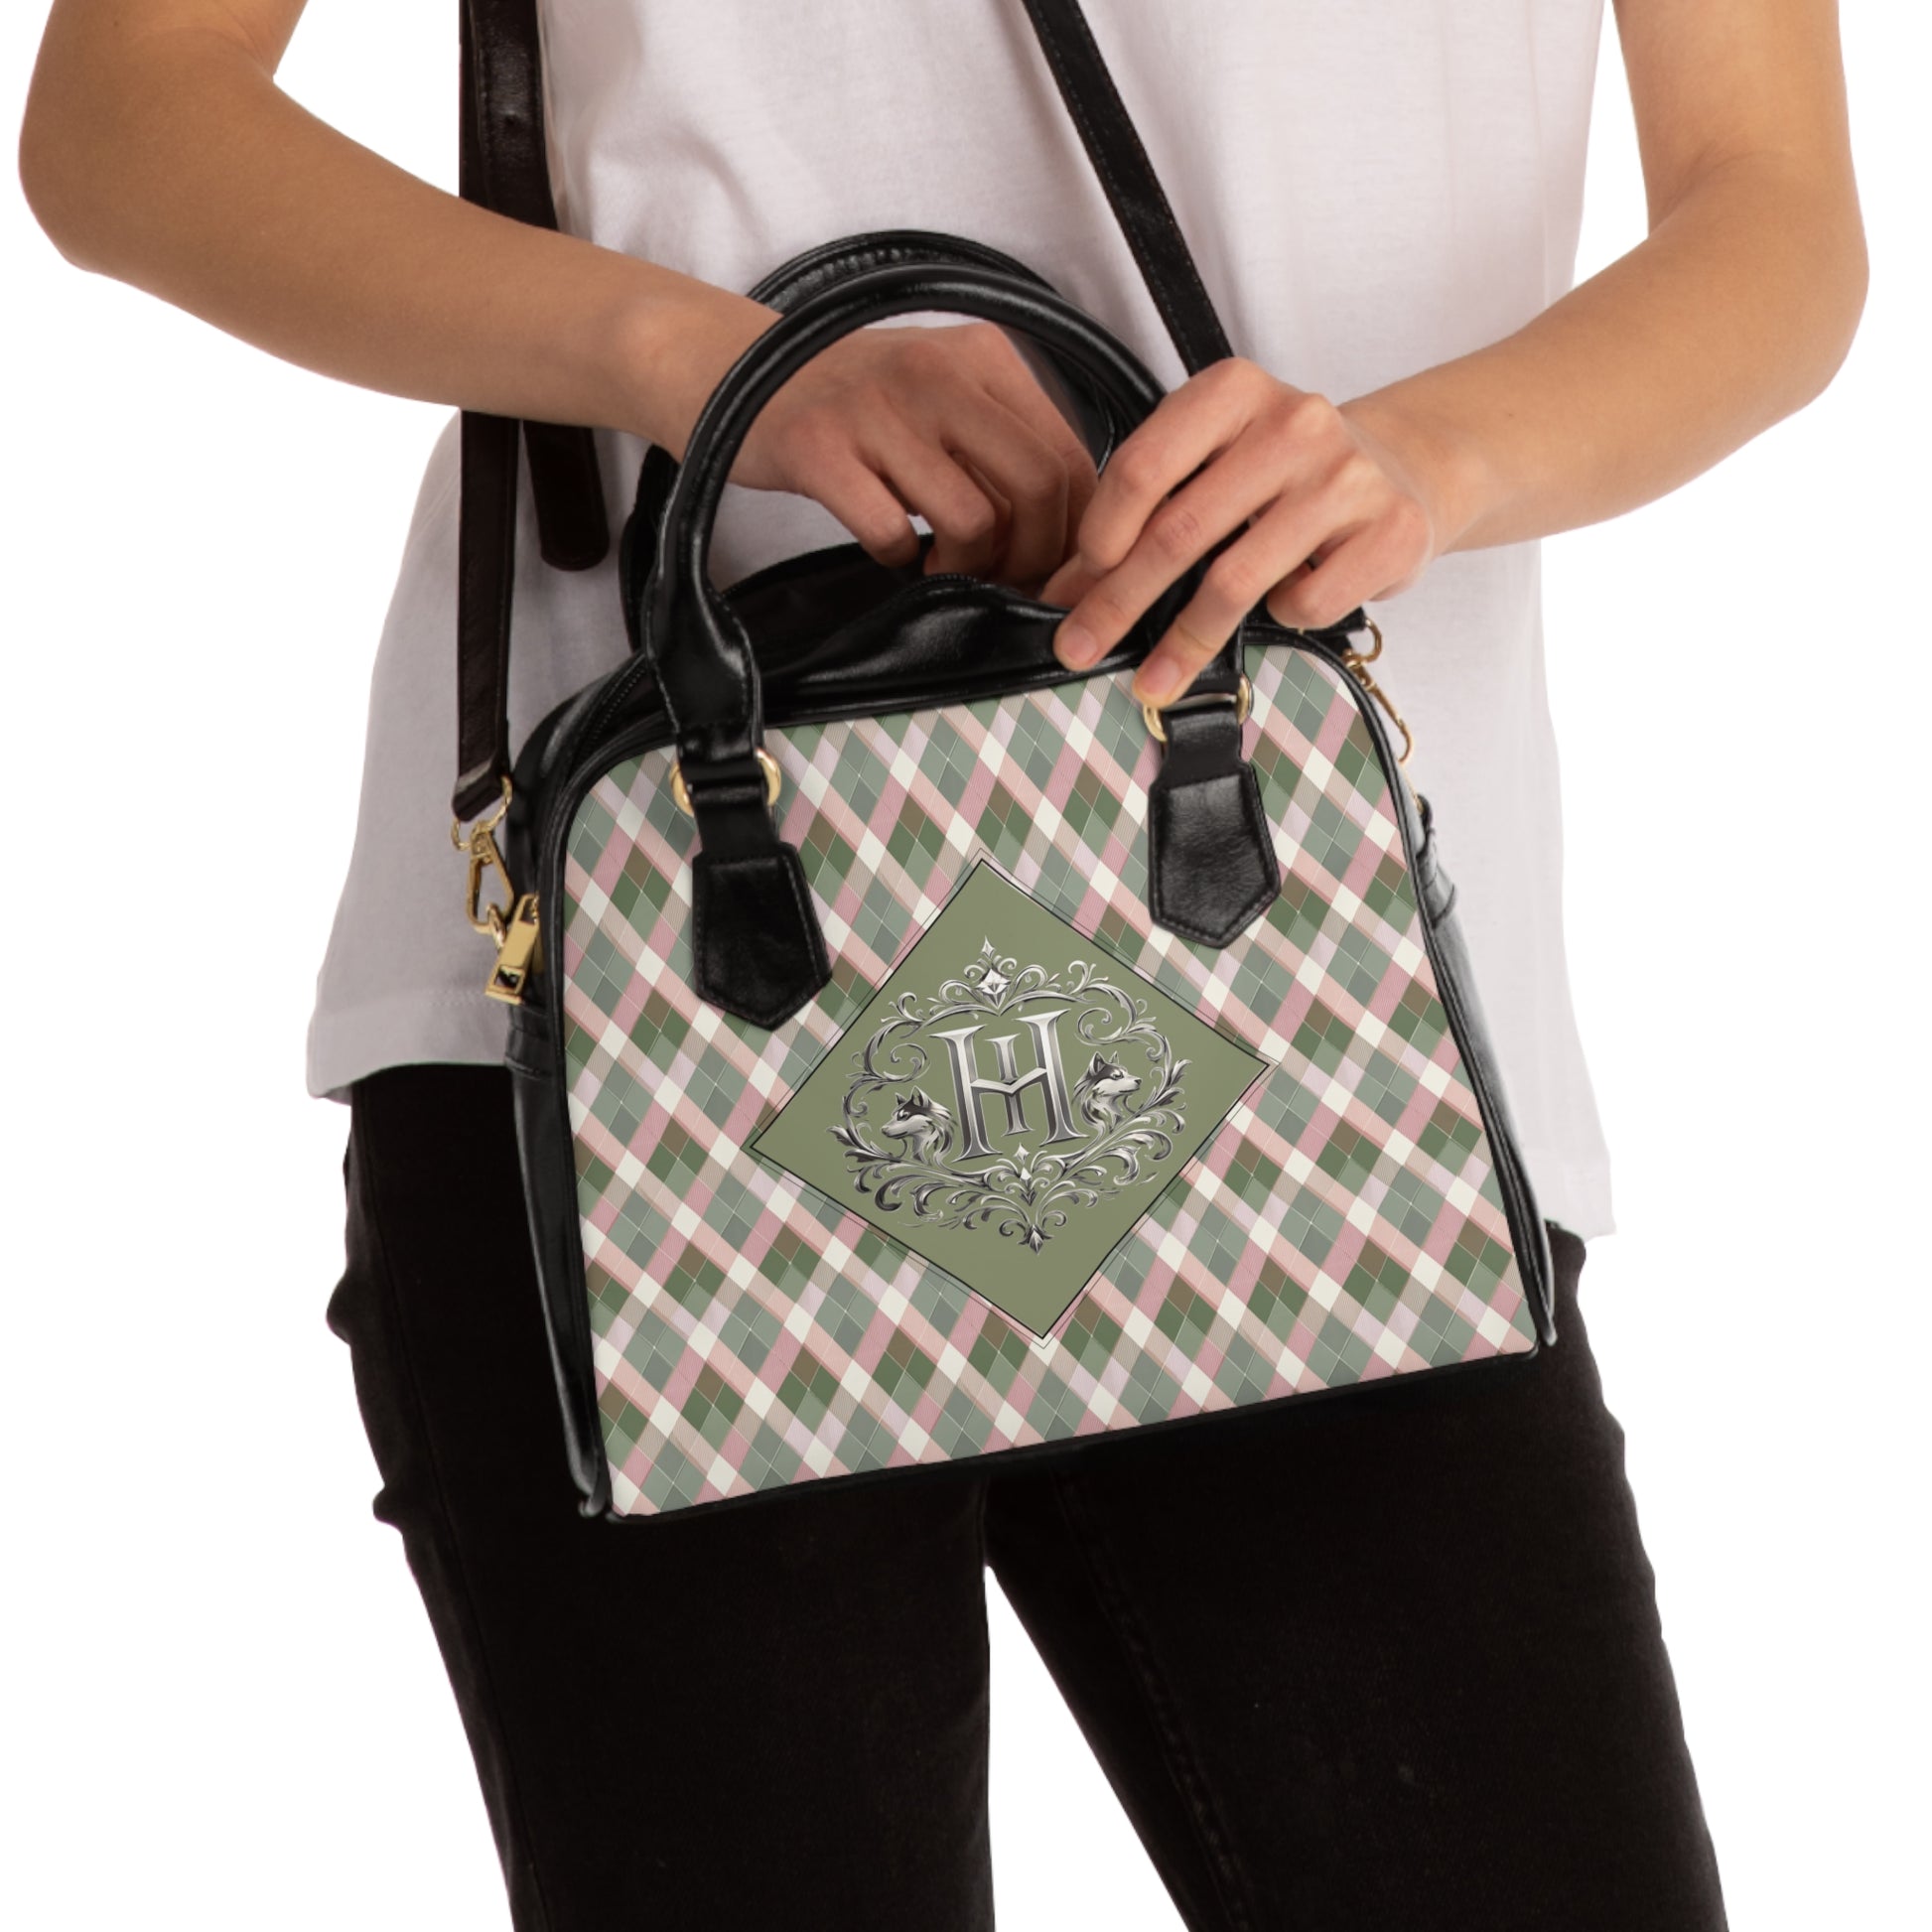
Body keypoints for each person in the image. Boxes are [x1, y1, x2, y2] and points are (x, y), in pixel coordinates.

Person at [20, 2, 1863, 1927]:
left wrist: (1421, 456)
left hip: (1316, 1021)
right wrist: (698, 356)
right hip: (636, 1039)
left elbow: (1771, 209)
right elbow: (126, 119)